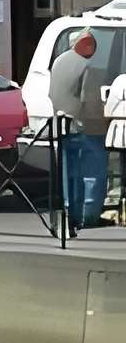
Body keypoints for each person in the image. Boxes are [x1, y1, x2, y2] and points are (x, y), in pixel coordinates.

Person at [49, 29, 110, 229]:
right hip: (87, 126)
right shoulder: (88, 66)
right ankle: (89, 215)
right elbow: (89, 101)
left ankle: (70, 213)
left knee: (71, 174)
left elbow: (53, 94)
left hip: (63, 126)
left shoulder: (59, 62)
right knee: (93, 172)